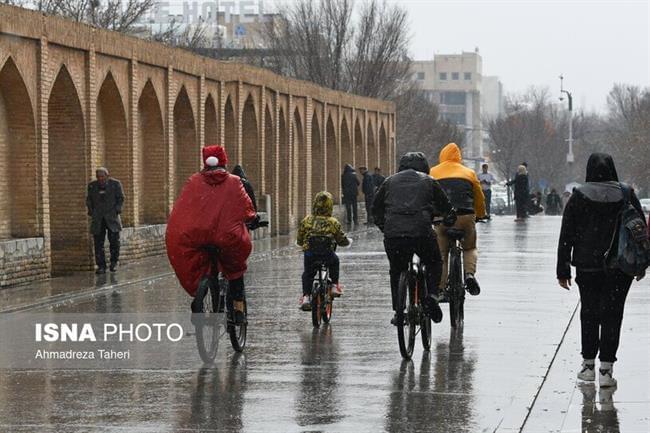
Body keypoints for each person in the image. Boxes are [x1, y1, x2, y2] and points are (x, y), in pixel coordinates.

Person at [557, 153, 646, 387]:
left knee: (589, 313)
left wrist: (563, 269)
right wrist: (641, 263)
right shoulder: (627, 194)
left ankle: (588, 366)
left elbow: (566, 234)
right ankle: (606, 370)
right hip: (619, 266)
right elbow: (640, 230)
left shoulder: (578, 197)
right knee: (613, 314)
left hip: (588, 267)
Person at [166, 145, 257, 324]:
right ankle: (238, 309)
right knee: (235, 269)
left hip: (198, 236)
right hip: (226, 238)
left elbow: (183, 208)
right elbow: (247, 208)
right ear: (223, 160)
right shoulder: (234, 181)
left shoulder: (194, 181)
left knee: (201, 262)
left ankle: (199, 298)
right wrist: (252, 218)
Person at [373, 152, 456, 324]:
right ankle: (432, 295)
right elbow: (446, 206)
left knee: (396, 270)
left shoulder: (389, 181)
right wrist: (448, 217)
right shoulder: (429, 181)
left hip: (394, 234)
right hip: (421, 232)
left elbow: (375, 208)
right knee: (434, 261)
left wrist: (385, 227)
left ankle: (398, 311)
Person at [430, 143, 486, 296]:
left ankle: (440, 288)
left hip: (442, 219)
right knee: (469, 248)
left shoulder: (433, 172)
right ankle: (469, 274)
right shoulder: (469, 173)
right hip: (465, 216)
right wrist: (480, 214)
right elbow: (479, 197)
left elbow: (429, 197)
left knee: (441, 253)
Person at [296, 191, 350, 310]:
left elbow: (299, 238)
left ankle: (306, 297)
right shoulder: (333, 222)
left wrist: (301, 243)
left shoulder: (307, 220)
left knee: (308, 273)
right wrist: (347, 242)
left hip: (310, 254)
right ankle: (335, 285)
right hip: (327, 255)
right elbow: (341, 239)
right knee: (335, 261)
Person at [86, 167, 124, 274]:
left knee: (114, 242)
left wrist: (117, 210)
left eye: (102, 176)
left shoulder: (115, 184)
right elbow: (89, 200)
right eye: (98, 177)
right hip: (98, 218)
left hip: (112, 218)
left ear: (107, 176)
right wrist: (92, 211)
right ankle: (101, 265)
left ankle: (114, 262)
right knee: (98, 243)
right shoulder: (92, 186)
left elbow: (120, 198)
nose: (100, 179)